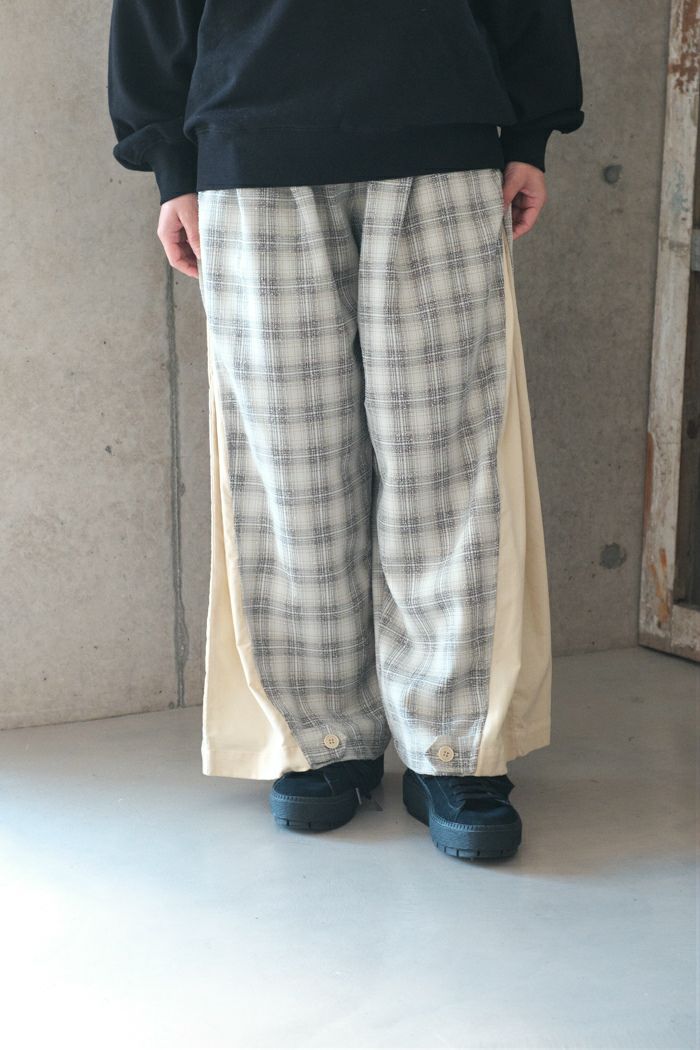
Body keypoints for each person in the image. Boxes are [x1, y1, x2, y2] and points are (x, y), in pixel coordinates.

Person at [108, 0, 584, 861]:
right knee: (289, 471)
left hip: (441, 133)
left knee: (448, 468)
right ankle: (323, 738)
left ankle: (451, 745)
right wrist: (170, 164)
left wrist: (530, 130)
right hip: (251, 145)